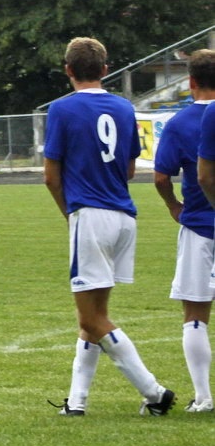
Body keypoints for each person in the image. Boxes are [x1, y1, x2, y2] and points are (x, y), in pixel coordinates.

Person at [44, 37, 174, 416]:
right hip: (123, 216)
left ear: (68, 70)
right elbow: (130, 168)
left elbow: (52, 178)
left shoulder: (61, 110)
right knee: (92, 317)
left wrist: (71, 213)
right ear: (105, 69)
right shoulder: (123, 107)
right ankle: (77, 402)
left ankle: (154, 392)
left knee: (91, 317)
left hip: (91, 215)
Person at [154, 49, 215, 413]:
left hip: (198, 225)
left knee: (195, 314)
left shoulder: (180, 123)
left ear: (190, 81)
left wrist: (173, 206)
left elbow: (162, 177)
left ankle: (204, 397)